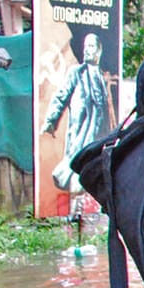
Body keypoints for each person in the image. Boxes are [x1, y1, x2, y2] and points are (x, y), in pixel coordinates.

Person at [42, 30, 113, 196]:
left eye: (91, 46)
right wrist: (51, 119)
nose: (87, 50)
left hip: (98, 137)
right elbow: (61, 96)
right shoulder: (77, 72)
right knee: (73, 170)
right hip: (79, 135)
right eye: (85, 46)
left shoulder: (102, 78)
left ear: (98, 50)